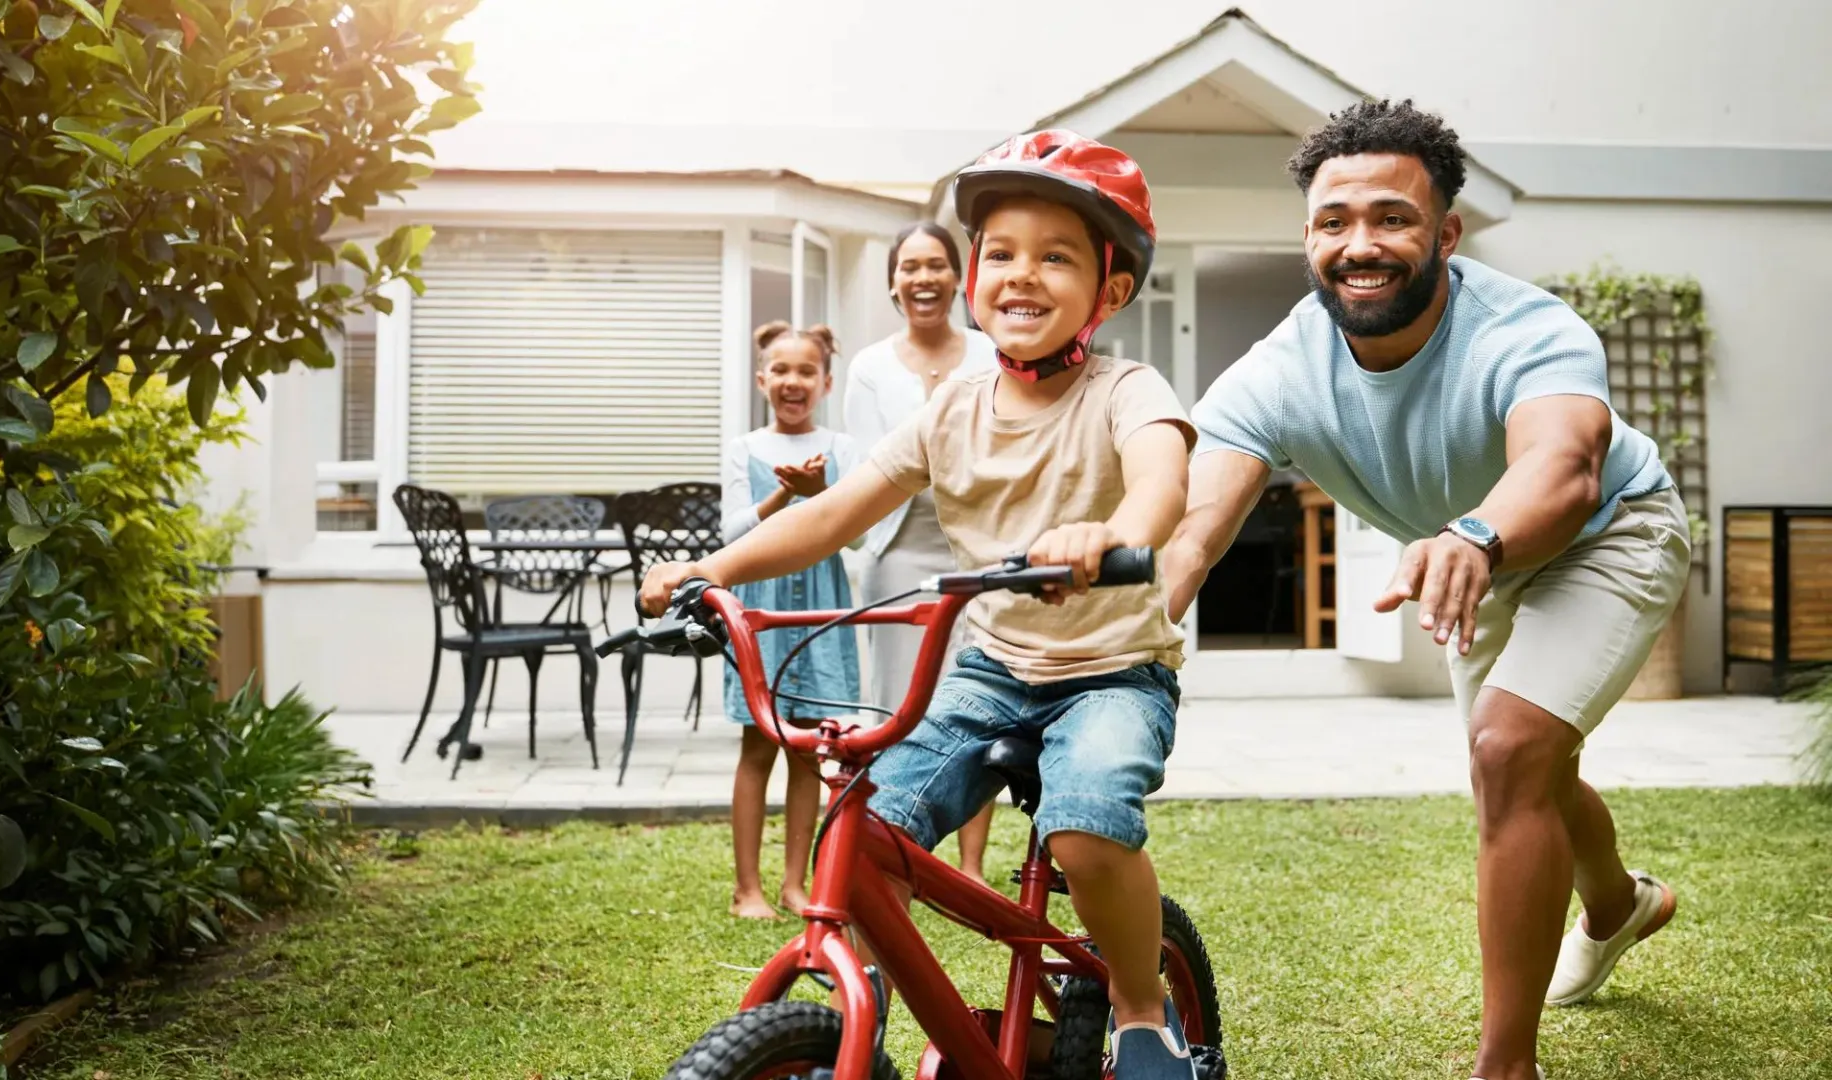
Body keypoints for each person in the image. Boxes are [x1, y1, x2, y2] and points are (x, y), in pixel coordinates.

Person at [643, 130, 1214, 1079]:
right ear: (970, 277)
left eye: (1056, 256)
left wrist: (1113, 536)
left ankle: (1145, 1011)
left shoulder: (1127, 389)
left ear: (1109, 293)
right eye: (999, 253)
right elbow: (833, 513)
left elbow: (1161, 481)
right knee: (867, 832)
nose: (1019, 274)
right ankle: (912, 1031)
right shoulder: (952, 404)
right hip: (991, 672)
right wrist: (715, 566)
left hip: (1112, 672)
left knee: (1083, 823)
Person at [1160, 100, 1689, 1080]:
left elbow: (1565, 465)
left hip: (1608, 534)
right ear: (1308, 236)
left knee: (1509, 746)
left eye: (1392, 219)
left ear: (1446, 232)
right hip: (1470, 558)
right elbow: (1196, 523)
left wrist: (1476, 534)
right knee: (1526, 765)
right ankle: (1618, 906)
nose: (1360, 245)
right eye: (1333, 222)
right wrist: (1145, 606)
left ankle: (1504, 1065)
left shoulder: (1527, 328)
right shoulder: (1281, 371)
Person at [842, 221, 1000, 882]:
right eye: (910, 267)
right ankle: (895, 849)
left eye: (936, 265)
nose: (923, 279)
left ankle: (968, 864)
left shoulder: (992, 354)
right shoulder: (870, 367)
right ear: (893, 283)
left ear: (958, 278)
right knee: (897, 707)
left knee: (980, 698)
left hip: (981, 553)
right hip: (899, 551)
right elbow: (866, 468)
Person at [718, 321, 863, 919]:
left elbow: (856, 535)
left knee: (811, 752)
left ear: (825, 382)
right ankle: (746, 887)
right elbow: (727, 535)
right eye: (780, 370)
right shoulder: (744, 449)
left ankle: (794, 884)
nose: (792, 381)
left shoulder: (843, 448)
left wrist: (823, 489)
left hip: (820, 614)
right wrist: (784, 496)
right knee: (759, 746)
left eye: (806, 371)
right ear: (761, 380)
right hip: (764, 613)